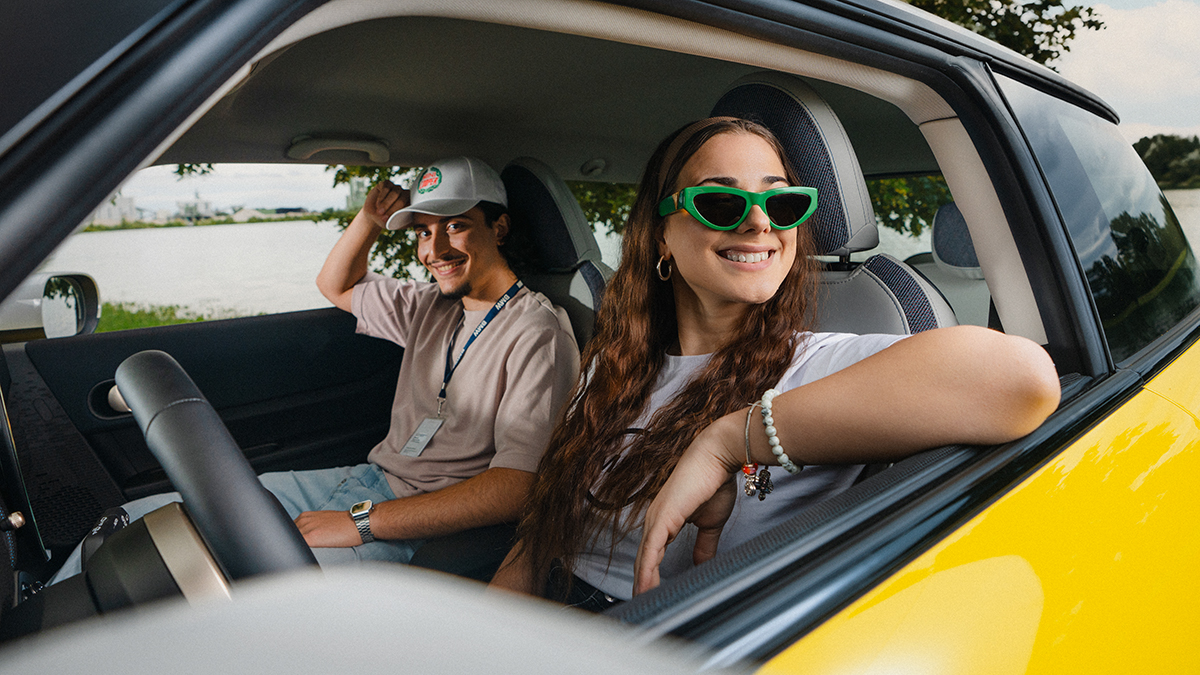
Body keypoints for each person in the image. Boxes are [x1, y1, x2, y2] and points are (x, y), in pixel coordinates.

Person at [488, 118, 1060, 608]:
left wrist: (730, 440)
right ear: (661, 234)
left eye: (781, 201)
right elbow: (540, 539)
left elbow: (1021, 379)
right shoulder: (610, 365)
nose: (760, 222)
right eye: (720, 201)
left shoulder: (817, 366)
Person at [52, 156, 579, 581]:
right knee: (144, 520)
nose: (433, 249)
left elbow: (517, 486)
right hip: (368, 478)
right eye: (422, 232)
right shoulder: (428, 305)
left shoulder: (538, 332)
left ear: (500, 227)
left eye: (457, 227)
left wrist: (361, 523)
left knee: (256, 584)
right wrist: (370, 220)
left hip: (427, 521)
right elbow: (337, 285)